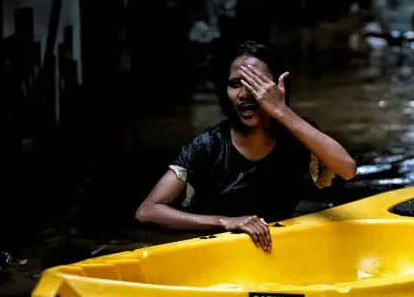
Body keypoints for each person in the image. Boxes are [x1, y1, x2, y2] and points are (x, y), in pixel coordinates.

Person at [135, 41, 357, 252]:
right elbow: (147, 211)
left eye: (255, 83)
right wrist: (225, 222)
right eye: (235, 84)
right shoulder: (209, 145)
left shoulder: (297, 134)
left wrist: (281, 111)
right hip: (219, 256)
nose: (243, 94)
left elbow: (347, 169)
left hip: (279, 251)